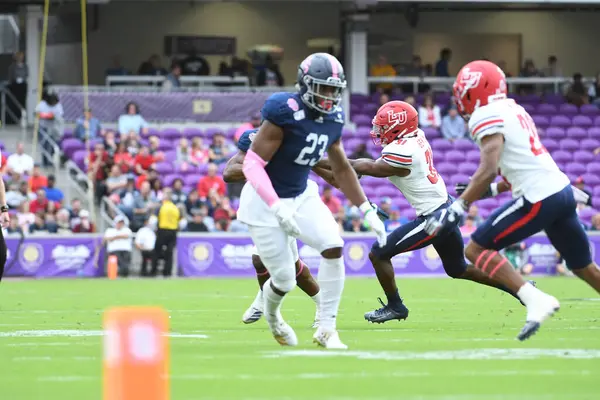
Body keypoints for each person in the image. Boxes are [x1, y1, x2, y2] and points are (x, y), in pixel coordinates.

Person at [424, 60, 600, 341]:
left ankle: (535, 299)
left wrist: (460, 205)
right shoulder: (514, 109)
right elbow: (514, 170)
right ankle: (535, 298)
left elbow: (489, 167)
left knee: (476, 250)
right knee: (583, 266)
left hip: (540, 197)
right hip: (561, 192)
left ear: (475, 90)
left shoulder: (486, 115)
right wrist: (490, 191)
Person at [317, 101, 527, 324]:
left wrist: (310, 159)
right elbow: (349, 173)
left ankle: (395, 306)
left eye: (383, 127)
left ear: (398, 127)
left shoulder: (403, 153)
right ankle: (519, 288)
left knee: (378, 253)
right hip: (444, 207)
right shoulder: (414, 136)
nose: (378, 132)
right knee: (458, 268)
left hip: (434, 216)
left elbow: (358, 167)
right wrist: (314, 164)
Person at [235, 53, 387, 349]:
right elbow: (251, 164)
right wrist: (276, 206)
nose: (329, 96)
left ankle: (327, 329)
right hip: (262, 202)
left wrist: (366, 210)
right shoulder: (284, 110)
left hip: (301, 194)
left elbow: (341, 167)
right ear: (305, 85)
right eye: (323, 88)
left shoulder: (333, 118)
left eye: (334, 89)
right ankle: (273, 317)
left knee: (334, 246)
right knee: (284, 280)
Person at [223, 128, 330, 326]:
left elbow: (321, 165)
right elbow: (228, 172)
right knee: (295, 267)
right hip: (269, 208)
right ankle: (324, 306)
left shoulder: (290, 148)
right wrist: (258, 167)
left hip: (293, 202)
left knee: (259, 259)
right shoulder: (253, 139)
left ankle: (264, 303)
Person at [152, 188, 180, 277]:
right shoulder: (175, 208)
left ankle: (153, 271)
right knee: (169, 253)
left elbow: (153, 220)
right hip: (173, 231)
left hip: (162, 230)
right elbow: (180, 221)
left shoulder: (161, 207)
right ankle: (167, 272)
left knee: (157, 251)